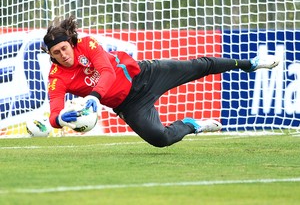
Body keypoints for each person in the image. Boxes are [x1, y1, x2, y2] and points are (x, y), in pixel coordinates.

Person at [42, 16, 279, 147]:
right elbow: (54, 111)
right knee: (160, 140)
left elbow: (107, 72)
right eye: (56, 53)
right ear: (51, 56)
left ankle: (250, 64)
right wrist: (60, 119)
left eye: (64, 48)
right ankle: (192, 125)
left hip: (146, 75)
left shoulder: (88, 44)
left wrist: (94, 95)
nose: (63, 55)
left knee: (199, 66)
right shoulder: (56, 77)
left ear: (71, 43)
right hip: (128, 105)